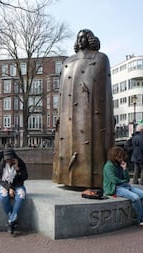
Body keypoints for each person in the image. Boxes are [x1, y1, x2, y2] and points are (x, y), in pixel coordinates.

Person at [52, 29, 114, 188]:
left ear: (90, 39)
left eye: (83, 37)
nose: (80, 41)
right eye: (78, 38)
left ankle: (93, 178)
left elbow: (103, 89)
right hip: (68, 113)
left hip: (92, 112)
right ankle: (67, 176)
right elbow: (62, 91)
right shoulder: (68, 61)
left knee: (92, 143)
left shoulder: (100, 58)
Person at [103, 146, 143, 227]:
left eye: (122, 157)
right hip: (115, 188)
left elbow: (127, 179)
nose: (121, 159)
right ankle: (140, 219)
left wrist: (124, 169)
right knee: (135, 198)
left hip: (124, 185)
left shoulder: (120, 164)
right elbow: (114, 180)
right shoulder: (108, 166)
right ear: (114, 156)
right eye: (119, 157)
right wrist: (124, 181)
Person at [0, 148, 28, 234]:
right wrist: (9, 188)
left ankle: (10, 222)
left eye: (10, 159)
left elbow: (25, 177)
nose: (8, 161)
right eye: (7, 159)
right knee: (3, 197)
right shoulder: (1, 165)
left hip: (17, 185)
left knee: (21, 195)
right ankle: (13, 220)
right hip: (5, 185)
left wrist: (17, 168)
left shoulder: (20, 163)